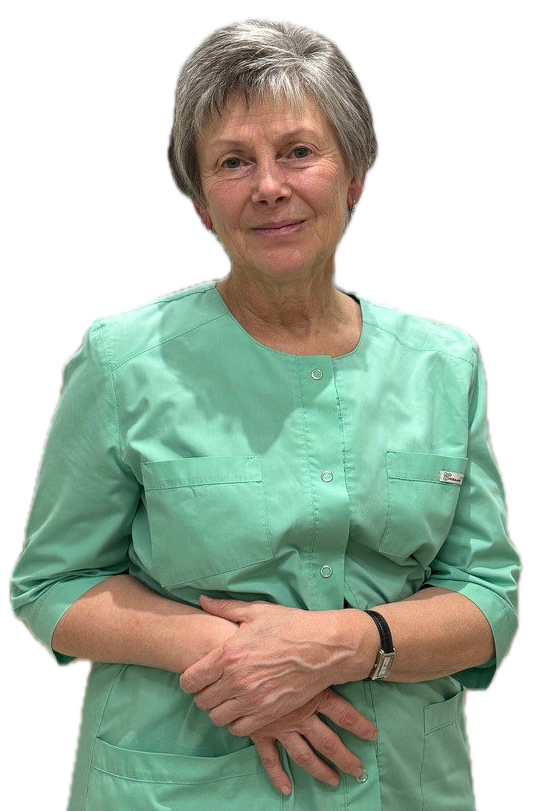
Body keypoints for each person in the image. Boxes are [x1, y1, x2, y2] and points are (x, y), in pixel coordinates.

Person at [8, 16, 522, 811]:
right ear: (199, 202)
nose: (269, 186)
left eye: (298, 151)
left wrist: (346, 645)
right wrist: (236, 657)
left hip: (403, 786)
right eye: (233, 161)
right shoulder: (123, 358)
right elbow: (53, 583)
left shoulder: (442, 360)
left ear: (355, 176)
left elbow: (487, 595)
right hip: (180, 789)